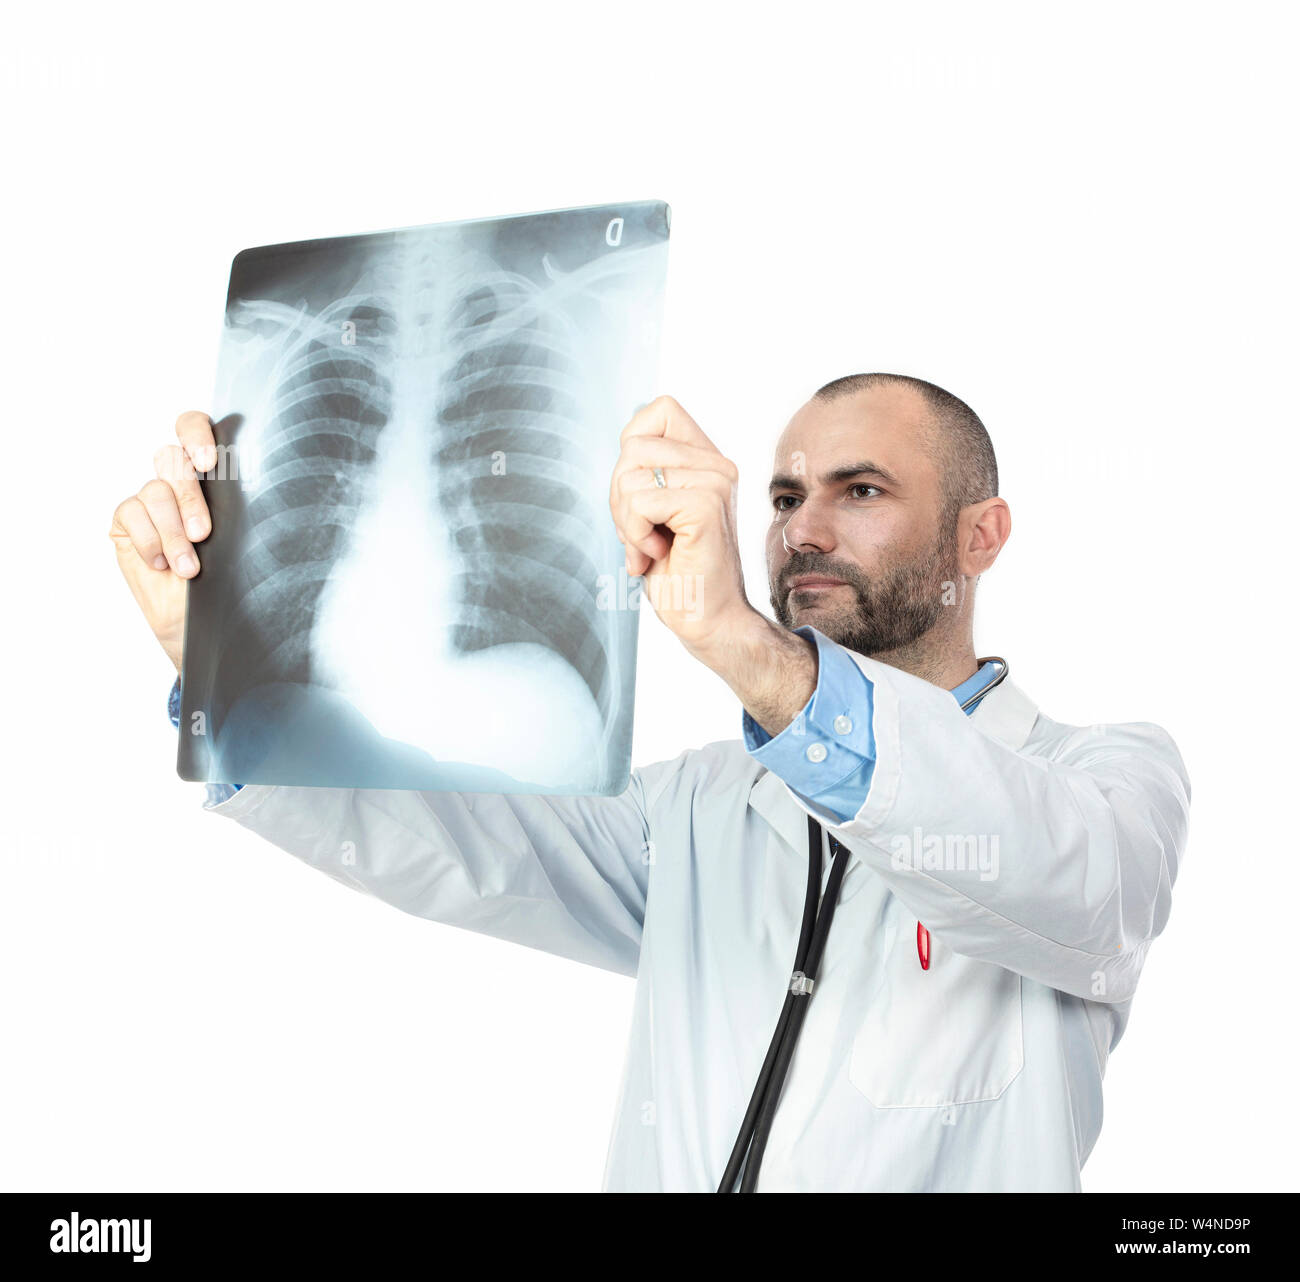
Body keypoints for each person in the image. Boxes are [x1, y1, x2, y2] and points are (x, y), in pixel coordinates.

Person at [110, 372, 1190, 1192]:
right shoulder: (698, 809)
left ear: (980, 536)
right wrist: (223, 661)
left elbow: (1059, 877)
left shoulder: (1104, 780)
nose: (801, 530)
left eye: (860, 490)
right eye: (782, 496)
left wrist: (739, 645)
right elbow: (450, 836)